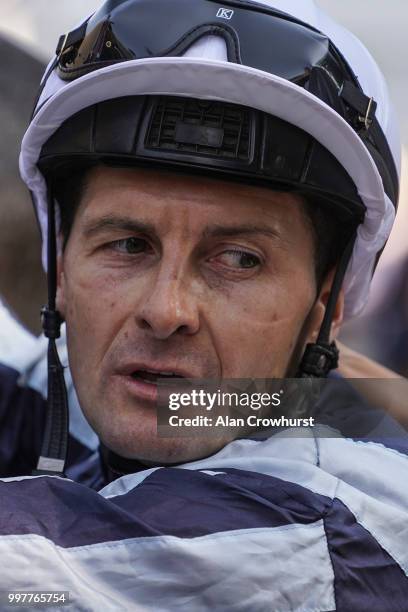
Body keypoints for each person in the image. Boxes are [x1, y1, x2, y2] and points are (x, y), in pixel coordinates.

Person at [1, 0, 407, 609]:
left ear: (323, 304)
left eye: (240, 259)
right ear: (61, 267)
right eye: (129, 244)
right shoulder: (165, 401)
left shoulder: (323, 525)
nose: (167, 311)